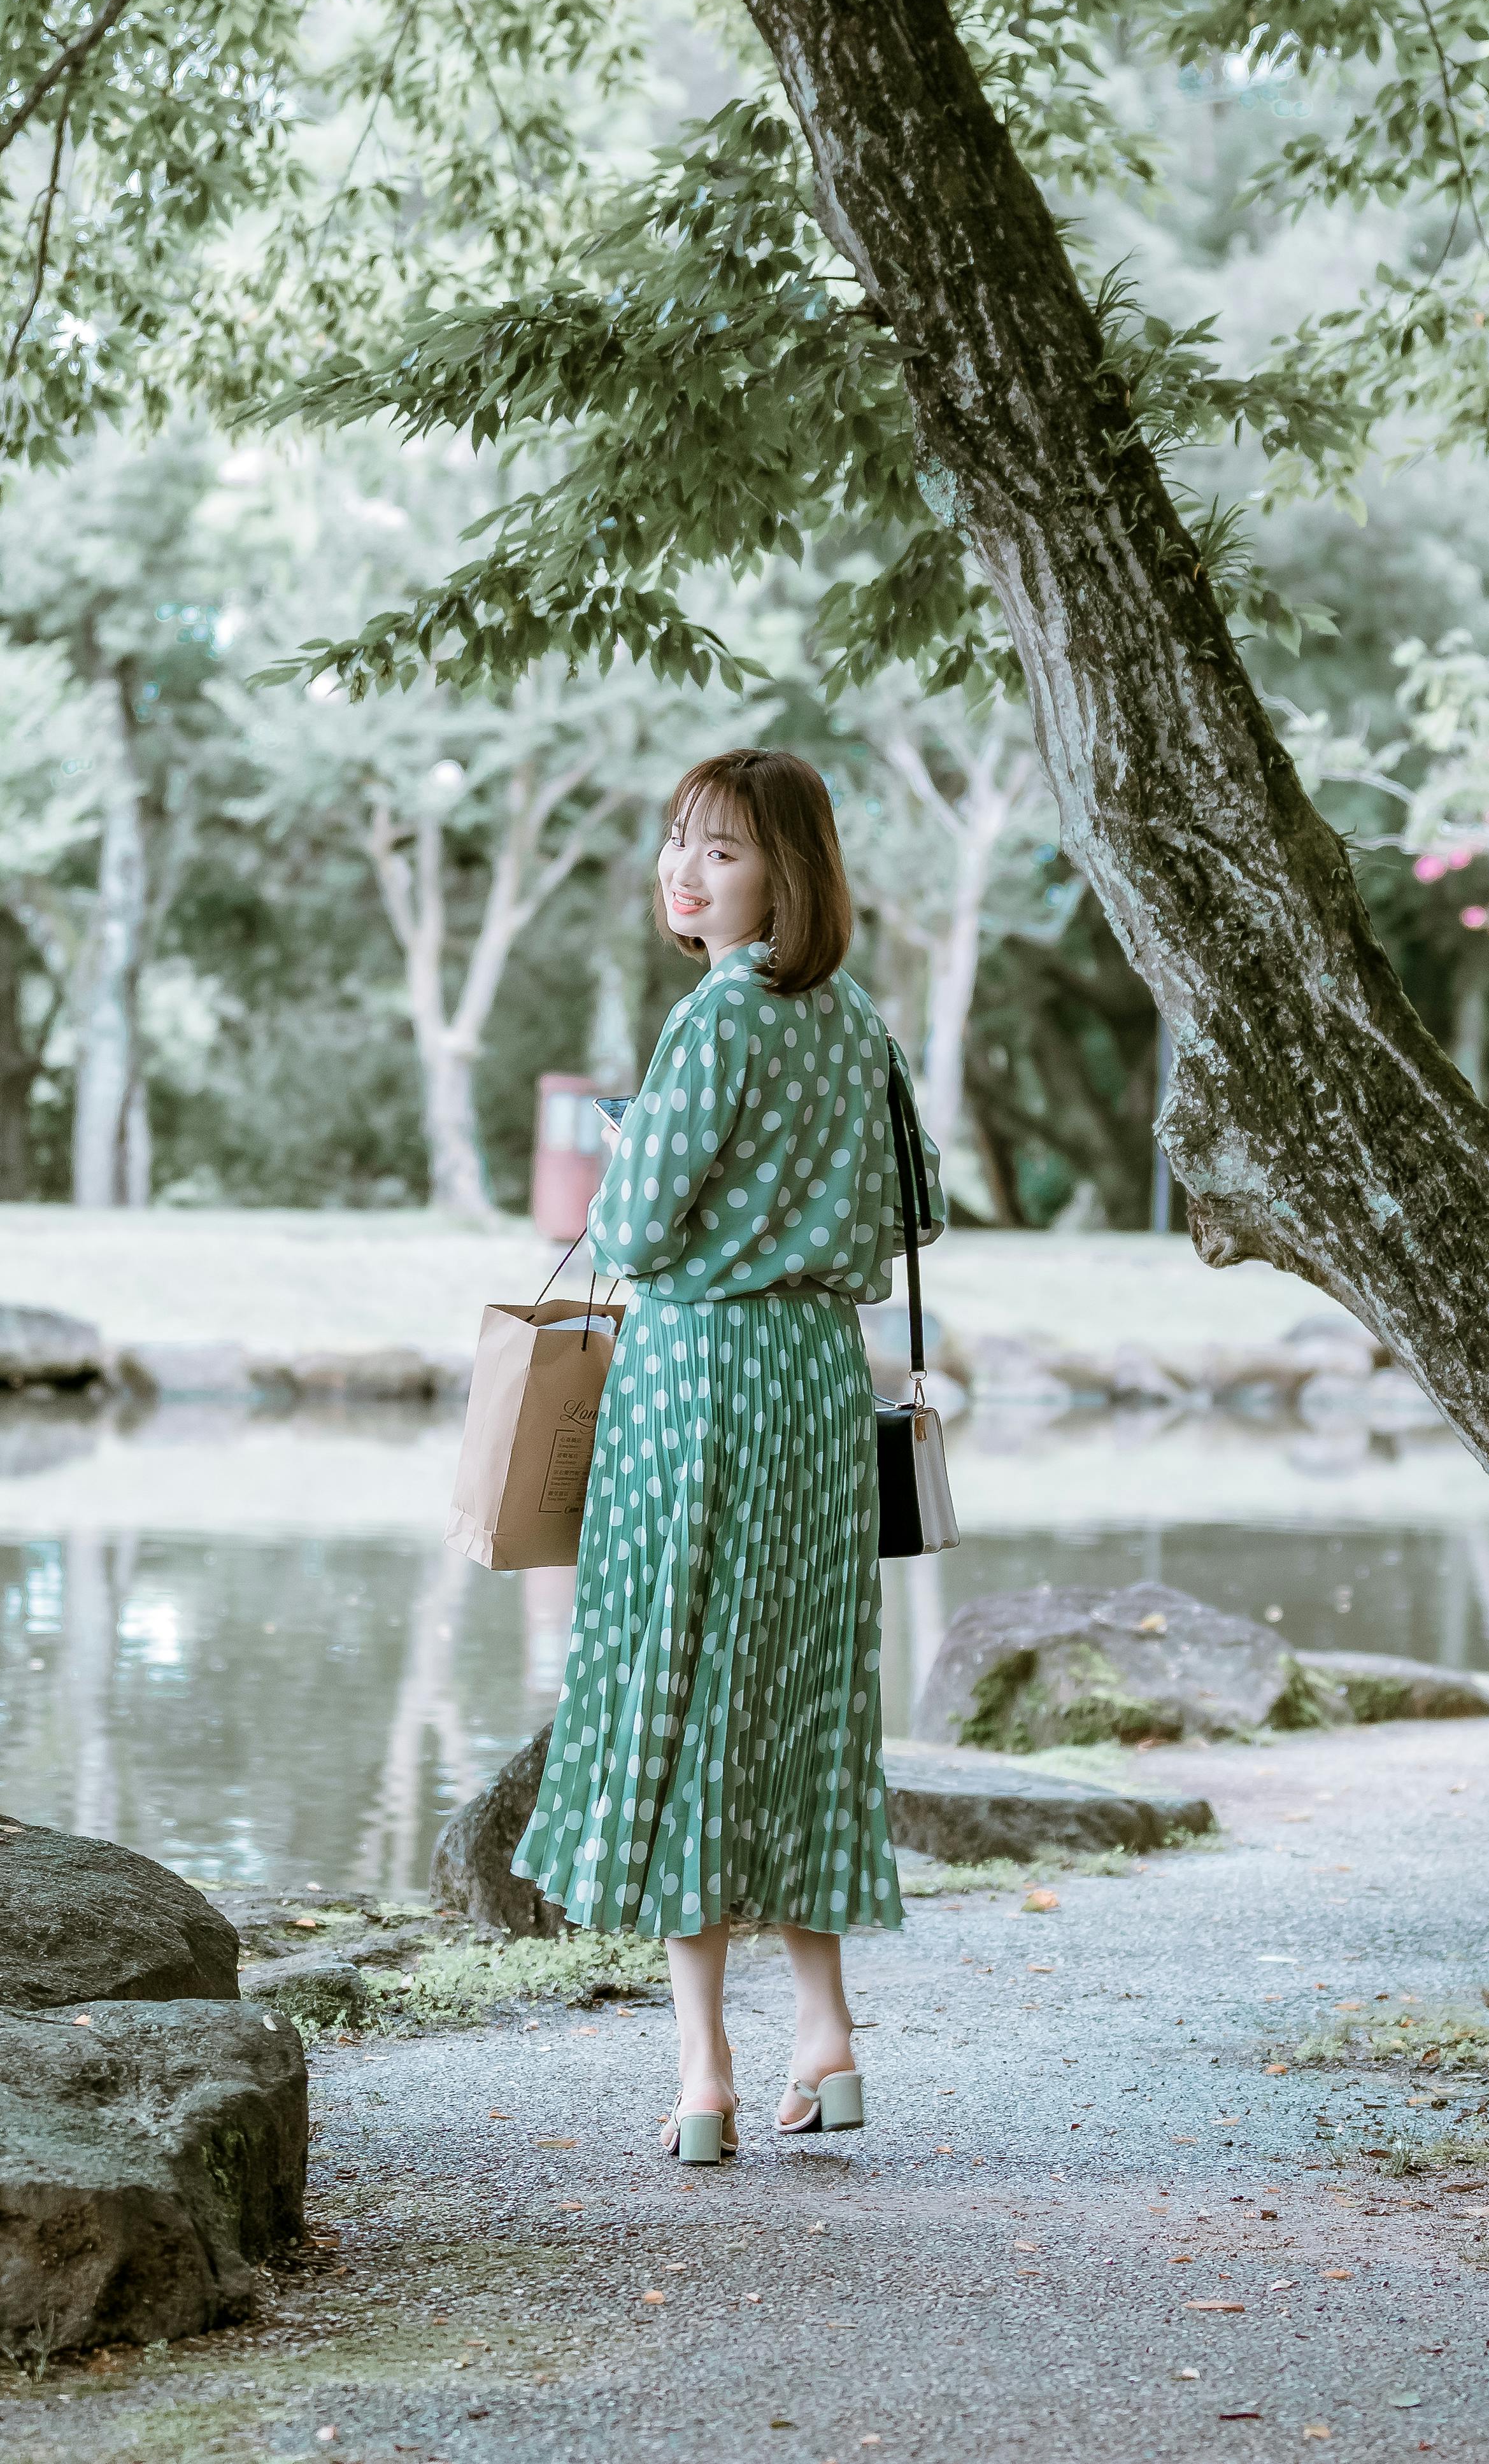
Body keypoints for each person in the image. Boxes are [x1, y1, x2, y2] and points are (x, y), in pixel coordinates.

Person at [513, 745, 941, 2162]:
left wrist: (648, 1169)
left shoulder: (716, 1019)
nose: (684, 871)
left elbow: (631, 1232)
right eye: (678, 841)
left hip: (697, 1377)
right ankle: (829, 2036)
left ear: (785, 874)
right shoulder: (858, 1021)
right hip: (818, 1378)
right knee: (804, 1693)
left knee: (682, 1685)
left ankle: (706, 2074)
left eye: (723, 849)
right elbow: (914, 1211)